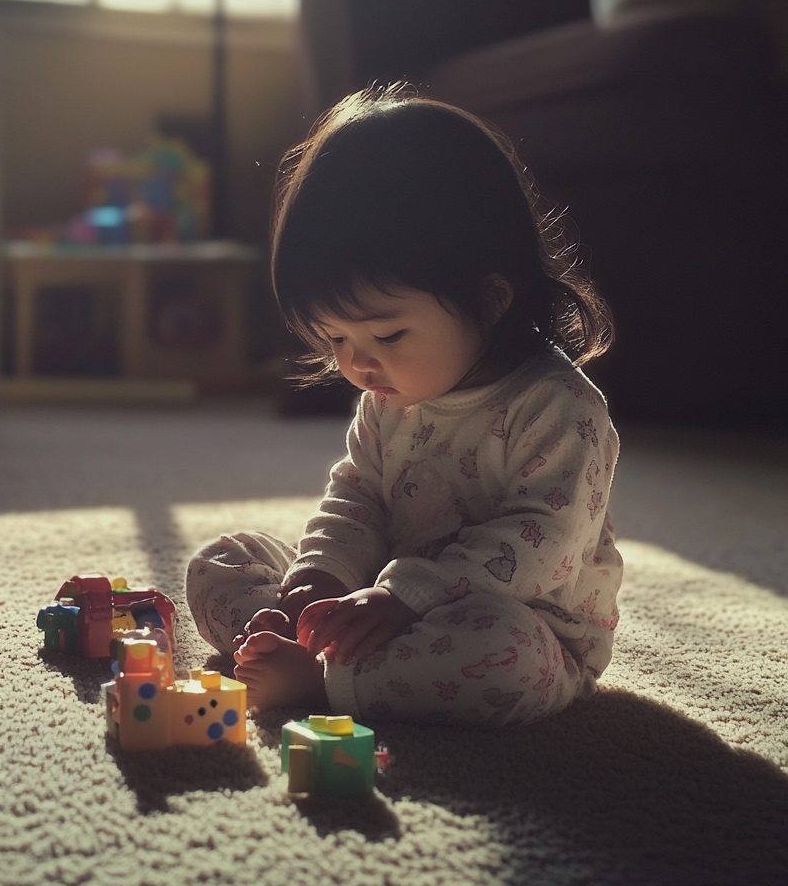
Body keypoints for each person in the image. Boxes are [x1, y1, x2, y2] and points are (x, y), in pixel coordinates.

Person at [185, 85, 621, 726]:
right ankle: (294, 637)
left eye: (387, 335)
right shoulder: (388, 396)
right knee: (221, 562)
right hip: (376, 600)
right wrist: (321, 580)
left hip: (518, 619)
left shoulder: (558, 410)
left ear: (492, 298)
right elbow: (358, 499)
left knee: (507, 657)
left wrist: (408, 594)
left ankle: (324, 679)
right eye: (335, 338)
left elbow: (545, 544)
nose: (358, 365)